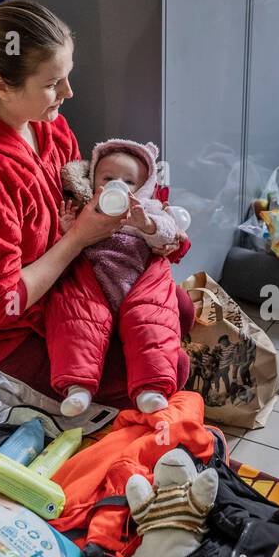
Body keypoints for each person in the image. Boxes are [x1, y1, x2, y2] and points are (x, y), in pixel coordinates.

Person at [0, 0, 189, 403]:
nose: (68, 92)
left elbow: (83, 204)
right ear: (1, 86)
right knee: (172, 367)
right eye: (52, 84)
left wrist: (152, 226)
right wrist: (79, 238)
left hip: (63, 290)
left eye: (66, 76)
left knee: (179, 309)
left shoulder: (49, 128)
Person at [54, 139, 190, 417]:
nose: (118, 186)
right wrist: (69, 227)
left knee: (152, 324)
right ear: (93, 182)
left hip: (138, 285)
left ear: (144, 187)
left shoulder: (148, 209)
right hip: (95, 285)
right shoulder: (87, 208)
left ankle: (150, 388)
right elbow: (69, 243)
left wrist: (147, 224)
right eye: (108, 178)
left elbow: (169, 235)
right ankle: (77, 387)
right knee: (76, 322)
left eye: (129, 181)